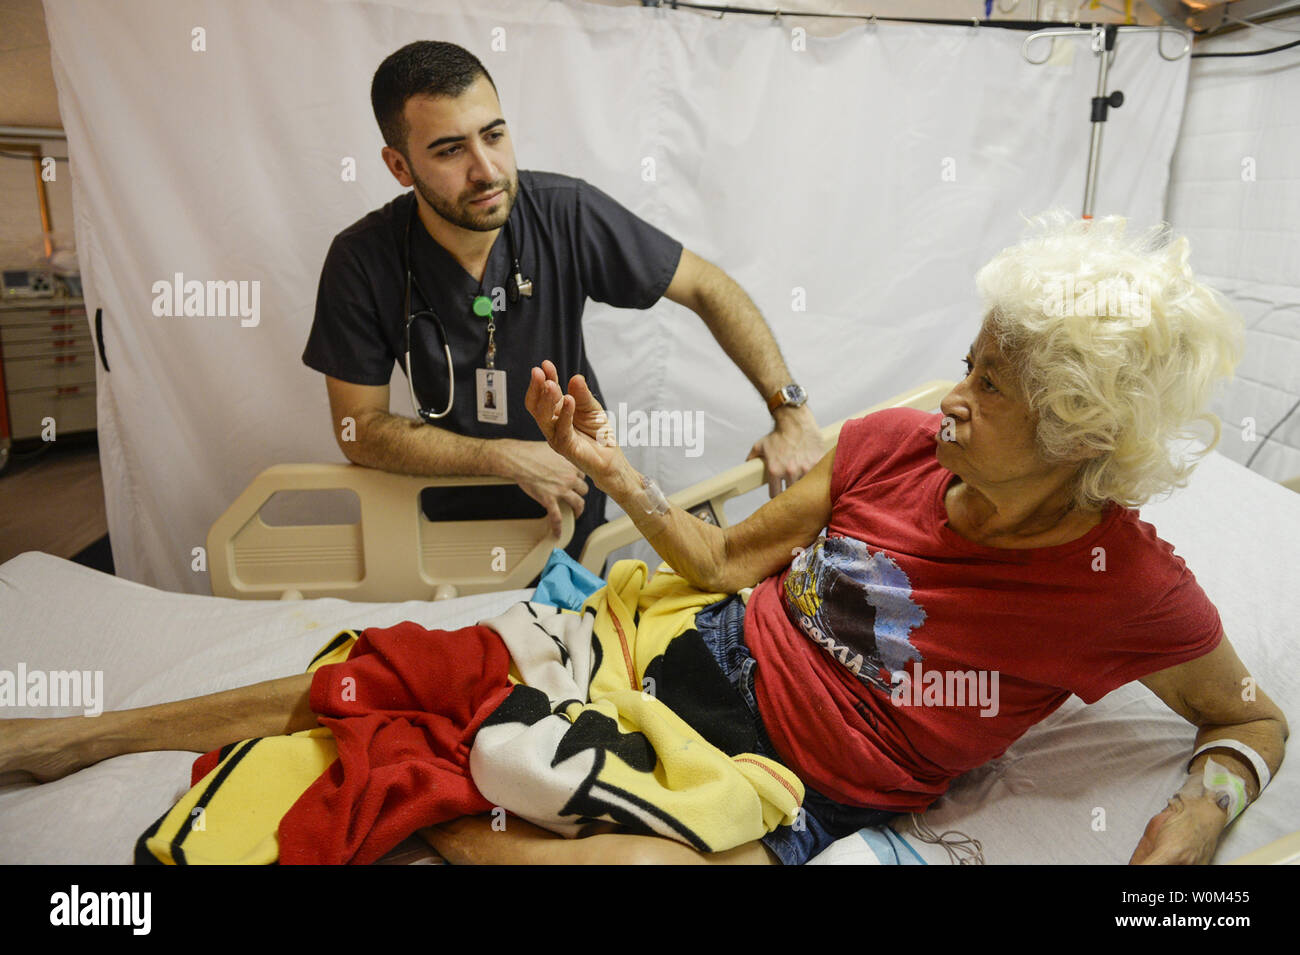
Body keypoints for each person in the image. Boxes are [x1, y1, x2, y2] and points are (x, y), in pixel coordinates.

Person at [3, 213, 1286, 866]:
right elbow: (725, 563)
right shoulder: (894, 443)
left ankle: (446, 765)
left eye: (990, 388)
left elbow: (1251, 723)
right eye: (968, 362)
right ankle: (90, 730)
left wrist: (1188, 833)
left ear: (1078, 433)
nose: (948, 394)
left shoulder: (1126, 589)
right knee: (381, 662)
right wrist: (612, 471)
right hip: (683, 648)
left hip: (802, 779)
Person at [301, 41, 823, 560]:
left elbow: (709, 287)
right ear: (400, 166)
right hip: (442, 538)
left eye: (494, 135)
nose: (486, 170)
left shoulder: (565, 214)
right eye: (450, 150)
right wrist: (504, 457)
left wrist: (791, 411)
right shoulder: (362, 261)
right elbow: (359, 431)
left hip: (572, 521)